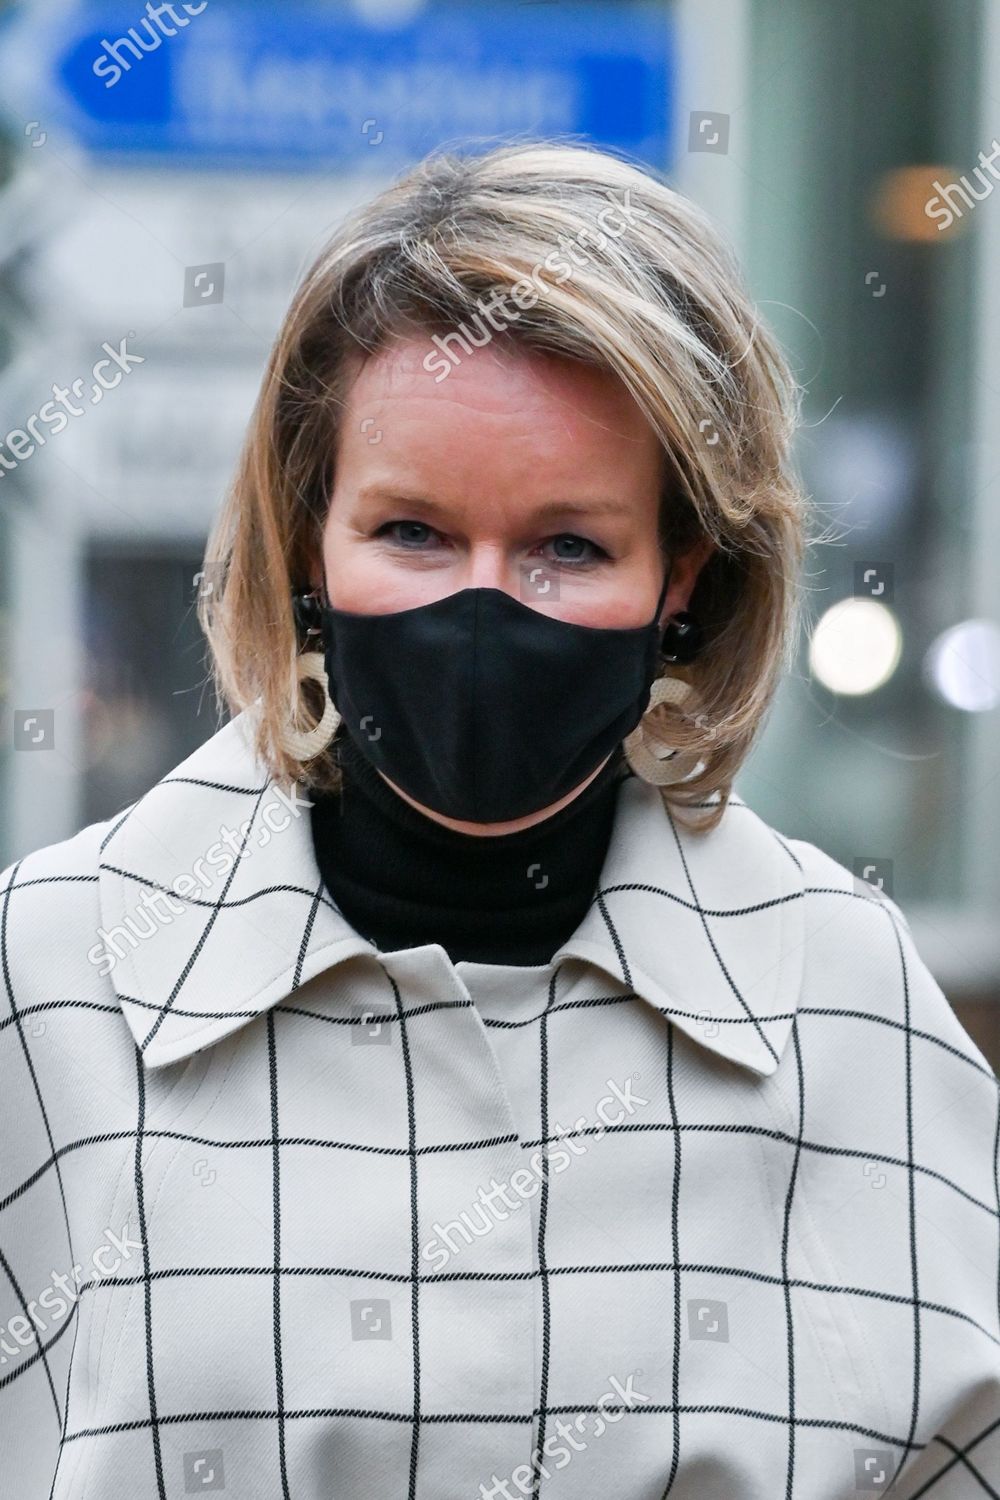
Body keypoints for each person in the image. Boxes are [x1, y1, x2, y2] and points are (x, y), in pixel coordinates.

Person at [1, 140, 997, 1500]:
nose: (482, 609)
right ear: (307, 540)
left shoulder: (847, 1001)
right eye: (411, 531)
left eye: (569, 547)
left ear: (683, 581)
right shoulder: (47, 984)